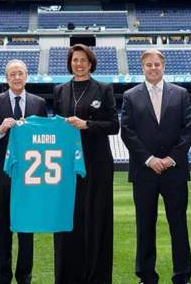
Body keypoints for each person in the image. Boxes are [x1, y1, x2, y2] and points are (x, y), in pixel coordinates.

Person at [120, 49, 191, 284]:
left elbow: (188, 129)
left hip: (175, 170)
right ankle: (146, 275)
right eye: (148, 65)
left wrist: (171, 158)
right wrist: (150, 159)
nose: (153, 68)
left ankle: (182, 275)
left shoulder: (180, 94)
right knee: (144, 225)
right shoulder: (131, 96)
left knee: (178, 224)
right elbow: (127, 132)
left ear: (163, 66)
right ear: (142, 67)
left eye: (157, 65)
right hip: (144, 171)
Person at [52, 44, 119, 284]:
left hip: (97, 164)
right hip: (67, 165)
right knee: (68, 218)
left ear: (91, 63)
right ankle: (68, 274)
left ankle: (97, 275)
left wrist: (87, 125)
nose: (78, 64)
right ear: (70, 63)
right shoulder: (60, 90)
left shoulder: (104, 89)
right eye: (74, 60)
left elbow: (114, 125)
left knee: (97, 218)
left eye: (83, 60)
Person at [0, 59, 48, 284]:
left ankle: (25, 277)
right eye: (12, 74)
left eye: (20, 73)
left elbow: (44, 139)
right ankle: (2, 277)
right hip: (3, 176)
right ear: (7, 78)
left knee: (27, 230)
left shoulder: (39, 103)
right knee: (3, 230)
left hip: (31, 176)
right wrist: (1, 129)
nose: (17, 77)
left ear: (27, 76)